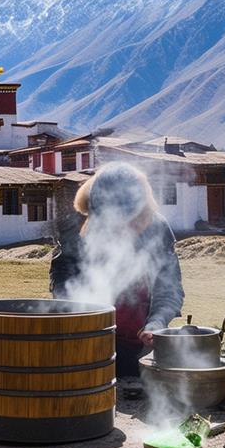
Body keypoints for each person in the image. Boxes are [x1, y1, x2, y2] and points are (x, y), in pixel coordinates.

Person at [49, 162, 184, 379]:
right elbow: (62, 281)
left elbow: (170, 289)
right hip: (85, 342)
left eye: (127, 221)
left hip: (138, 346)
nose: (119, 228)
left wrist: (156, 322)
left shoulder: (157, 228)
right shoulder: (75, 228)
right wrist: (76, 312)